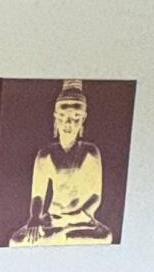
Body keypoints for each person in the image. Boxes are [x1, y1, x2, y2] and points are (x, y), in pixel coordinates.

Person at [18, 79, 115, 244]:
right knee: (17, 240)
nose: (68, 123)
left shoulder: (90, 153)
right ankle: (61, 234)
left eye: (75, 117)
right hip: (53, 218)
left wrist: (82, 214)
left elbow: (96, 195)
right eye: (63, 117)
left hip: (80, 219)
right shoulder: (45, 154)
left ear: (83, 119)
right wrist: (35, 217)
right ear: (55, 119)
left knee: (104, 236)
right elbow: (38, 196)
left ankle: (63, 235)